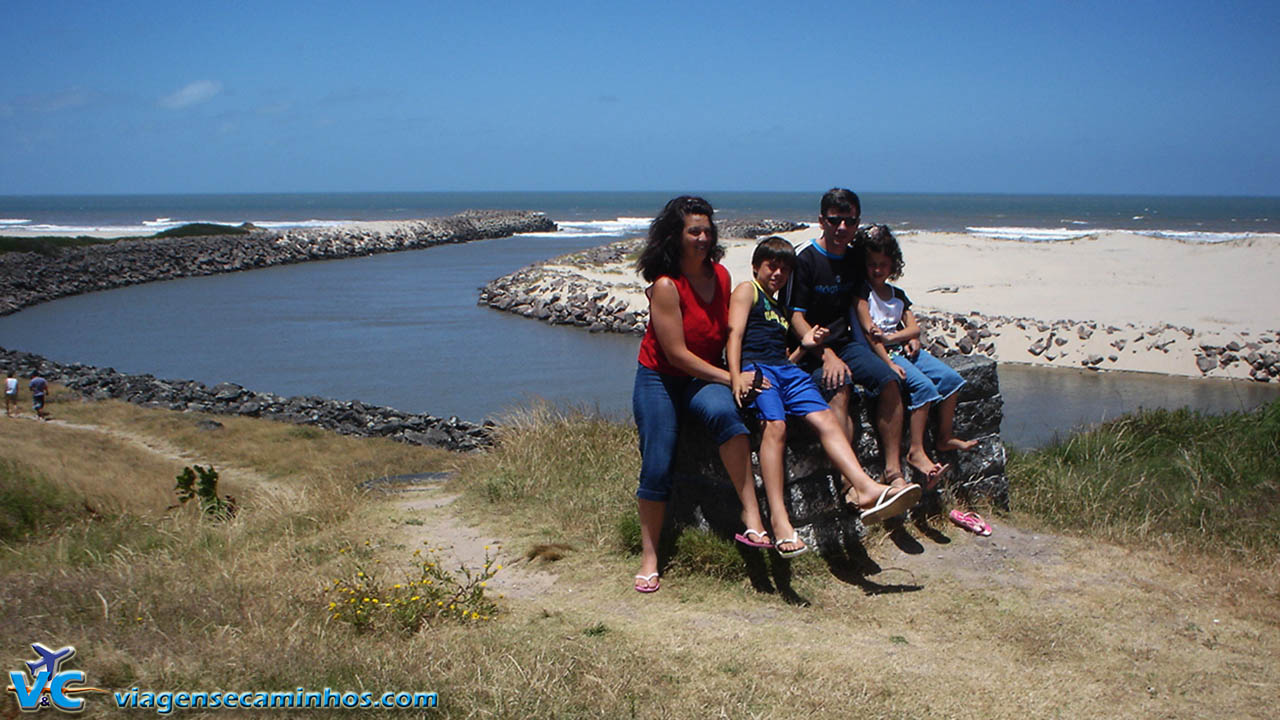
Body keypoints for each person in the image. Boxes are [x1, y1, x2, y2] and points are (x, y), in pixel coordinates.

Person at [727, 237, 922, 556]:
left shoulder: (779, 307)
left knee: (827, 421)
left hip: (785, 370)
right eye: (771, 266)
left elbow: (782, 354)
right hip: (757, 371)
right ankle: (780, 521)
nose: (777, 273)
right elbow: (734, 334)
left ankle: (865, 487)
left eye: (784, 269)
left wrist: (805, 345)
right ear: (755, 267)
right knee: (775, 427)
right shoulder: (748, 290)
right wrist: (735, 376)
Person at [631, 196, 772, 593]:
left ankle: (752, 517)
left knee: (729, 419)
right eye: (694, 230)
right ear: (675, 236)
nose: (702, 238)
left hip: (702, 378)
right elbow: (677, 355)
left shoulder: (722, 277)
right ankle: (650, 555)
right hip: (660, 377)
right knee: (658, 460)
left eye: (707, 230)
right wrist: (732, 378)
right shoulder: (665, 286)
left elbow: (731, 332)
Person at [786, 189, 941, 489]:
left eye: (849, 221)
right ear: (821, 221)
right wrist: (826, 355)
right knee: (839, 387)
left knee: (889, 380)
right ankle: (850, 484)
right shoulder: (804, 258)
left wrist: (903, 332)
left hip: (846, 343)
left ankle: (893, 473)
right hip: (809, 348)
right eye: (834, 221)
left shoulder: (856, 257)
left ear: (857, 223)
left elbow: (881, 289)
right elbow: (795, 317)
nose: (841, 228)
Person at [853, 224, 977, 488]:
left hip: (900, 348)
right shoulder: (863, 293)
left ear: (892, 266)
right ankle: (916, 451)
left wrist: (903, 338)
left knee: (951, 379)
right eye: (872, 264)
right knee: (923, 388)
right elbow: (869, 333)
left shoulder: (898, 296)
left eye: (883, 264)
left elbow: (914, 328)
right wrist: (888, 359)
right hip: (883, 354)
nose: (877, 270)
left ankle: (944, 436)